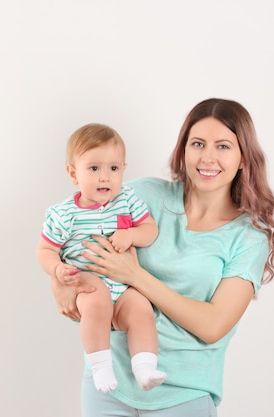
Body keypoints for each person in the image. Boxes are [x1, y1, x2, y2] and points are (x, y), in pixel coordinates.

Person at [50, 98, 274, 416]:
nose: (208, 157)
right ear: (183, 150)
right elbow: (77, 238)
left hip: (184, 395)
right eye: (198, 144)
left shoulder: (248, 238)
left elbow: (213, 324)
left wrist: (135, 276)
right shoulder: (143, 196)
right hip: (108, 385)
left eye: (223, 147)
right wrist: (60, 282)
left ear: (244, 157)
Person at [37, 123, 167, 394]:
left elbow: (150, 230)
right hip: (86, 280)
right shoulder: (64, 215)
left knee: (141, 307)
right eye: (94, 169)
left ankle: (144, 367)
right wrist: (57, 270)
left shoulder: (127, 200)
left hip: (122, 285)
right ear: (74, 174)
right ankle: (100, 365)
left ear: (123, 169)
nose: (105, 177)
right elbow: (45, 250)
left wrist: (131, 235)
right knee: (96, 298)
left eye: (114, 168)